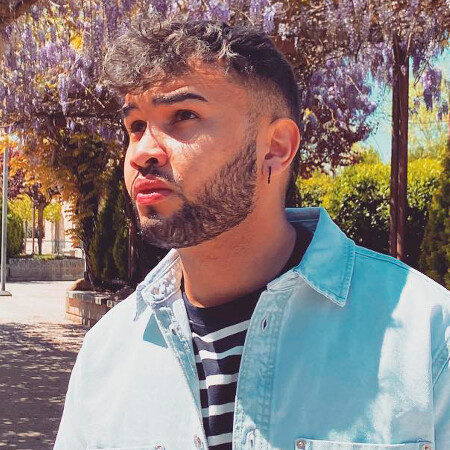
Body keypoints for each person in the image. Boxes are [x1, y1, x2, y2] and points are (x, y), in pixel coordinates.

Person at [54, 15, 449, 450]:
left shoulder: (426, 334)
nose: (143, 152)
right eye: (135, 126)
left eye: (183, 116)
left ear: (276, 148)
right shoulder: (107, 353)